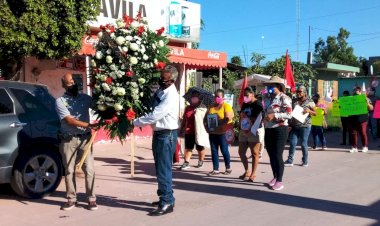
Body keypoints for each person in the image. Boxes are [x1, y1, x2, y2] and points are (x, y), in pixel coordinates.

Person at [133, 65, 179, 216]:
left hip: (166, 135)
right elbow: (150, 106)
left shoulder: (171, 94)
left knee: (164, 169)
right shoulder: (161, 91)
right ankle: (166, 197)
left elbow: (155, 115)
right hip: (160, 134)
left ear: (171, 80)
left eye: (164, 78)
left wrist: (134, 122)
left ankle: (167, 202)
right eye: (161, 76)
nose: (161, 79)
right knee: (160, 169)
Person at [55, 73, 98, 211]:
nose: (72, 85)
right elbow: (69, 120)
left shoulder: (86, 98)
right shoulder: (60, 101)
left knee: (89, 169)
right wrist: (89, 125)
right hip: (69, 139)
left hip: (85, 139)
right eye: (69, 83)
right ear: (63, 85)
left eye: (74, 82)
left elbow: (99, 107)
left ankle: (91, 198)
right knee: (69, 170)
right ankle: (71, 199)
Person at [262, 76, 292, 191]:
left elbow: (289, 115)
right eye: (268, 86)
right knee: (271, 154)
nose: (270, 88)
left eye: (272, 86)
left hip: (280, 128)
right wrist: (264, 118)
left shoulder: (284, 98)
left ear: (279, 86)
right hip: (269, 128)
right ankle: (275, 177)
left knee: (278, 155)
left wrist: (275, 115)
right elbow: (265, 111)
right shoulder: (266, 97)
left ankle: (280, 181)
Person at [205, 89, 234, 176]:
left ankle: (228, 168)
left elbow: (228, 118)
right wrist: (206, 127)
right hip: (212, 133)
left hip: (223, 133)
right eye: (215, 96)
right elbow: (205, 118)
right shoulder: (211, 107)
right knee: (214, 151)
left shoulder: (226, 106)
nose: (216, 98)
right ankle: (215, 169)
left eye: (218, 96)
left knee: (224, 150)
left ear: (223, 97)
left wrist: (218, 123)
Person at [284, 86, 315, 167]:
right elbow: (290, 112)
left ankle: (305, 161)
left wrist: (309, 111)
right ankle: (290, 160)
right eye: (297, 91)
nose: (298, 93)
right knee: (292, 143)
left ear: (304, 93)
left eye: (300, 92)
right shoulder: (294, 101)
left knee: (303, 143)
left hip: (305, 126)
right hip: (294, 126)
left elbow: (315, 113)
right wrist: (289, 124)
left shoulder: (310, 101)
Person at [238, 87, 263, 182]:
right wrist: (240, 127)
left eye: (247, 95)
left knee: (254, 153)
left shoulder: (258, 104)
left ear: (252, 94)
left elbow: (259, 118)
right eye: (244, 96)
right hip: (243, 131)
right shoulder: (245, 103)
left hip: (254, 130)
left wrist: (248, 119)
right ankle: (247, 171)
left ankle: (253, 174)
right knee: (241, 152)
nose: (245, 97)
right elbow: (241, 115)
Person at [179, 91, 209, 170]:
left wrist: (197, 113)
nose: (194, 98)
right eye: (193, 96)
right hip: (189, 131)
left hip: (199, 132)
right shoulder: (188, 108)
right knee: (188, 148)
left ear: (199, 98)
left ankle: (201, 161)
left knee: (200, 148)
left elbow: (207, 120)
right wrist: (181, 129)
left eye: (196, 96)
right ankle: (186, 162)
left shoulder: (203, 108)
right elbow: (184, 119)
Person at [348, 86, 373, 153]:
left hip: (362, 119)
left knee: (362, 132)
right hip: (353, 118)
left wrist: (367, 103)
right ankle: (354, 147)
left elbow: (371, 108)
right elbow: (346, 108)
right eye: (354, 91)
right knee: (353, 133)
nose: (355, 93)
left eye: (357, 92)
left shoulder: (366, 98)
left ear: (360, 92)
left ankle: (365, 146)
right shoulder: (350, 99)